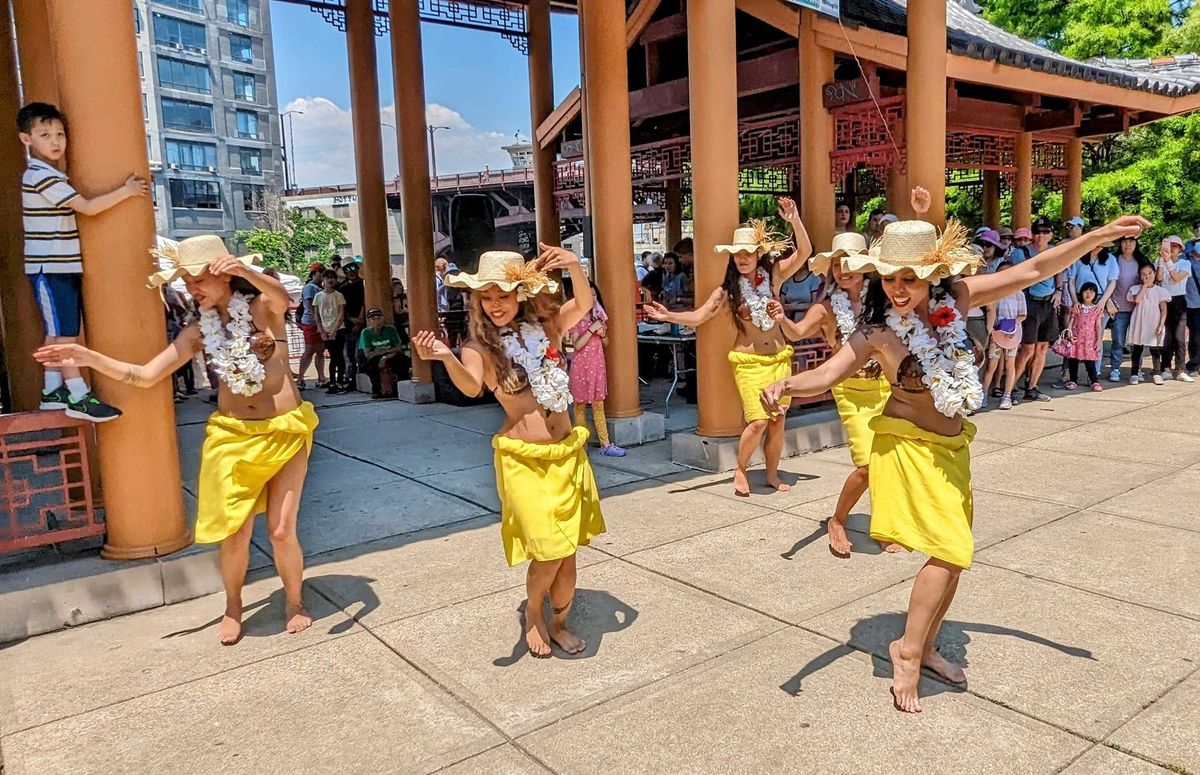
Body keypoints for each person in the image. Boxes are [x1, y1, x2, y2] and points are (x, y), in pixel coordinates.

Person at [760, 210, 1149, 713]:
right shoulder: (878, 329)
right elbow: (828, 373)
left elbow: (1032, 272)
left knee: (955, 556)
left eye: (911, 278)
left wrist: (1096, 236)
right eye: (891, 278)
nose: (899, 289)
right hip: (905, 445)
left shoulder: (958, 299)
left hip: (952, 447)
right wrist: (787, 383)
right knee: (948, 548)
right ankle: (908, 653)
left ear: (933, 276)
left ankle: (923, 644)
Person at [35, 235, 319, 645]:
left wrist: (242, 269)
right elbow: (147, 375)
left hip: (285, 431)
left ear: (221, 276)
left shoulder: (260, 308)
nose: (190, 289)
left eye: (195, 279)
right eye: (185, 281)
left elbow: (282, 298)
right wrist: (89, 358)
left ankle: (294, 601)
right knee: (234, 531)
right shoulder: (197, 332)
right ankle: (233, 606)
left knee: (279, 530)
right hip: (231, 437)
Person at [412, 245, 604, 659]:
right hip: (523, 460)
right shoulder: (478, 347)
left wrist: (574, 265)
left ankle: (558, 622)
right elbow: (470, 386)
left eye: (503, 294)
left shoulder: (548, 327)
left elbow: (585, 304)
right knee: (549, 549)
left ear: (519, 294)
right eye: (487, 296)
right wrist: (445, 356)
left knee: (567, 556)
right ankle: (533, 613)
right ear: (477, 301)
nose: (495, 304)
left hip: (567, 455)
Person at [647, 198, 814, 497]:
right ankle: (741, 468)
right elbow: (700, 316)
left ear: (757, 254)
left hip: (778, 360)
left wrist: (795, 219)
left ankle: (772, 474)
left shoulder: (773, 276)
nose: (742, 258)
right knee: (759, 420)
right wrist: (668, 315)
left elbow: (805, 252)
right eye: (737, 254)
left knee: (777, 422)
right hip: (749, 365)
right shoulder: (728, 290)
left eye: (747, 253)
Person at [19, 102, 148, 423]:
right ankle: (77, 394)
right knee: (64, 335)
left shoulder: (49, 174)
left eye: (60, 134)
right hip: (50, 267)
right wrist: (127, 191)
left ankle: (53, 390)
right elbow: (87, 208)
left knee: (58, 332)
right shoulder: (40, 175)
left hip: (57, 266)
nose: (55, 141)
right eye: (44, 134)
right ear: (26, 139)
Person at [566, 280, 625, 457]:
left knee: (599, 404)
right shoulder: (574, 320)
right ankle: (581, 443)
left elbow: (606, 343)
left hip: (597, 365)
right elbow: (576, 345)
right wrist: (591, 330)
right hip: (581, 367)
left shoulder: (599, 316)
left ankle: (605, 443)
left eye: (594, 294)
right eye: (587, 295)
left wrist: (603, 333)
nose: (591, 298)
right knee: (580, 406)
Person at [1010, 218, 1061, 402]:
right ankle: (1011, 387)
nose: (1041, 236)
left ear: (1051, 234)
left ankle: (1032, 386)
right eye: (1038, 232)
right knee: (1027, 349)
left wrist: (1059, 290)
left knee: (1042, 348)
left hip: (1048, 303)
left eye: (1045, 232)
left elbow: (1060, 270)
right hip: (1029, 301)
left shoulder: (1055, 251)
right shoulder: (1020, 253)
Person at [1066, 232, 1118, 378]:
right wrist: (1075, 301)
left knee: (1096, 336)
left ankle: (1095, 373)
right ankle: (1070, 374)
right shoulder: (1078, 258)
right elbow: (1071, 280)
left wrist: (1101, 303)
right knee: (1073, 336)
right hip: (1079, 298)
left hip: (1100, 298)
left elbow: (1112, 281)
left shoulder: (1110, 260)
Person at [981, 260, 1027, 410]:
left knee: (1010, 363)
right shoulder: (994, 293)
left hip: (1012, 334)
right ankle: (983, 395)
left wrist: (1012, 324)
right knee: (991, 364)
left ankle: (1007, 395)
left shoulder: (1019, 293)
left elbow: (1023, 315)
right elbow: (990, 311)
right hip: (996, 332)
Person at [1109, 235, 1148, 381]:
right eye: (1124, 241)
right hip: (1118, 306)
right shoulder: (1113, 259)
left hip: (1138, 307)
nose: (1128, 244)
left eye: (1131, 241)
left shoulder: (1142, 261)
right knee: (1118, 340)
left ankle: (1136, 369)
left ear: (1136, 243)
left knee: (1137, 340)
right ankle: (1115, 369)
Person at [1127, 262, 1172, 385]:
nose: (1147, 276)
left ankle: (1157, 372)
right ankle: (1135, 373)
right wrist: (1145, 286)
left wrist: (1161, 324)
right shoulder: (1135, 289)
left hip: (1154, 321)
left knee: (1155, 348)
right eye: (1143, 274)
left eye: (1150, 273)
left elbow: (1163, 309)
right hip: (1139, 321)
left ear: (1155, 274)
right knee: (1137, 348)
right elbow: (1137, 300)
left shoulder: (1160, 291)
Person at [1157, 235, 1193, 382]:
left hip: (1179, 300)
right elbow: (1159, 278)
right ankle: (1165, 367)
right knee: (1167, 337)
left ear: (1180, 249)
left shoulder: (1185, 263)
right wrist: (1161, 260)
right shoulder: (1160, 261)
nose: (1171, 249)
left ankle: (1180, 369)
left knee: (1179, 336)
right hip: (1164, 300)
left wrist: (1168, 262)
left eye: (1175, 246)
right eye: (1169, 245)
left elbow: (1177, 278)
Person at [1064, 282, 1105, 391]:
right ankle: (1073, 380)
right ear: (1081, 292)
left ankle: (1094, 380)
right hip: (1076, 338)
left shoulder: (1097, 309)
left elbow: (1098, 326)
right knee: (1073, 359)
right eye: (1086, 291)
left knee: (1090, 361)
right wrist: (1069, 334)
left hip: (1090, 340)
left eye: (1092, 291)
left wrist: (1098, 340)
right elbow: (1071, 321)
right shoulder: (1077, 307)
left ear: (1095, 294)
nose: (1088, 294)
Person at [357, 308, 407, 398]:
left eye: (379, 318)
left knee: (403, 361)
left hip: (390, 355)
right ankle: (376, 390)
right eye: (374, 319)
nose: (377, 321)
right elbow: (368, 354)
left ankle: (401, 388)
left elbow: (398, 349)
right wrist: (387, 351)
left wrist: (384, 357)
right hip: (375, 357)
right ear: (369, 321)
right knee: (371, 366)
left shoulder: (390, 329)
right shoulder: (366, 332)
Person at [314, 270, 347, 393]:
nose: (330, 280)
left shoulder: (339, 295)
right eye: (327, 277)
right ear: (323, 280)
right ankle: (333, 382)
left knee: (339, 356)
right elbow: (317, 315)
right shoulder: (318, 296)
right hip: (325, 329)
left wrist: (334, 330)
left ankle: (339, 381)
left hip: (339, 329)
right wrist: (321, 330)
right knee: (333, 356)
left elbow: (341, 314)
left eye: (333, 277)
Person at [297, 263, 327, 389]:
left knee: (320, 351)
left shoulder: (320, 287)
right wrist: (317, 320)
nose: (322, 274)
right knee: (309, 350)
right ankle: (300, 377)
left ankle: (321, 376)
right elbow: (309, 306)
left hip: (320, 322)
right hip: (311, 322)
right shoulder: (310, 288)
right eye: (320, 271)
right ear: (314, 273)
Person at [338, 261, 366, 390]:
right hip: (349, 325)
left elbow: (364, 302)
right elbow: (342, 307)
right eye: (347, 269)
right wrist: (351, 319)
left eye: (353, 268)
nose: (351, 271)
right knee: (348, 355)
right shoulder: (342, 288)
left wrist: (360, 319)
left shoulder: (364, 284)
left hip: (364, 322)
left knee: (359, 353)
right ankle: (351, 380)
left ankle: (362, 379)